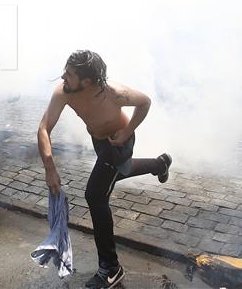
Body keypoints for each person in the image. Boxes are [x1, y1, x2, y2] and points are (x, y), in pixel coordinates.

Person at [37, 50, 172, 289]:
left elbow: (145, 102)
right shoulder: (64, 91)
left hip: (117, 145)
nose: (62, 77)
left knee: (96, 195)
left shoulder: (113, 93)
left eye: (69, 74)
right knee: (121, 171)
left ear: (87, 81)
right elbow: (44, 128)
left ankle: (111, 268)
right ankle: (160, 163)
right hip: (100, 143)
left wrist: (126, 133)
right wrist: (49, 167)